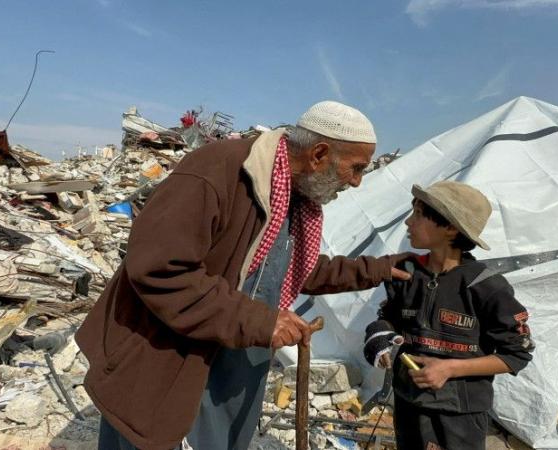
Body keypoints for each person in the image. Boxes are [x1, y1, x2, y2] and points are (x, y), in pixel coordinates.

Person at [76, 101, 410, 450]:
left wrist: (380, 269)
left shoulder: (294, 193)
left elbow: (291, 268)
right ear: (319, 154)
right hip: (169, 358)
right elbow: (160, 267)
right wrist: (260, 321)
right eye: (355, 169)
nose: (357, 183)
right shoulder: (220, 170)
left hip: (228, 368)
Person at [363, 181, 535, 450]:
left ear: (450, 227)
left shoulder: (486, 286)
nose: (408, 222)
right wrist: (378, 332)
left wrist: (450, 368)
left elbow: (517, 355)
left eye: (419, 214)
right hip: (408, 402)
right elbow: (389, 319)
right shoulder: (405, 272)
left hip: (458, 416)